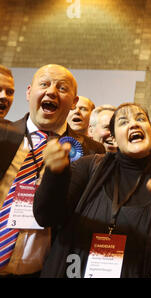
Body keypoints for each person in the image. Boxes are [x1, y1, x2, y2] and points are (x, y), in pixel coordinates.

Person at [33, 102, 151, 278]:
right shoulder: (88, 167)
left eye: (140, 119)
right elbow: (46, 217)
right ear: (113, 138)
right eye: (124, 121)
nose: (134, 124)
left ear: (150, 131)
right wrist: (54, 176)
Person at [0, 64, 104, 277]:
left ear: (74, 102)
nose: (51, 91)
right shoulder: (3, 135)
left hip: (45, 270)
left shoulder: (92, 152)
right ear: (29, 92)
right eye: (44, 84)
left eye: (62, 88)